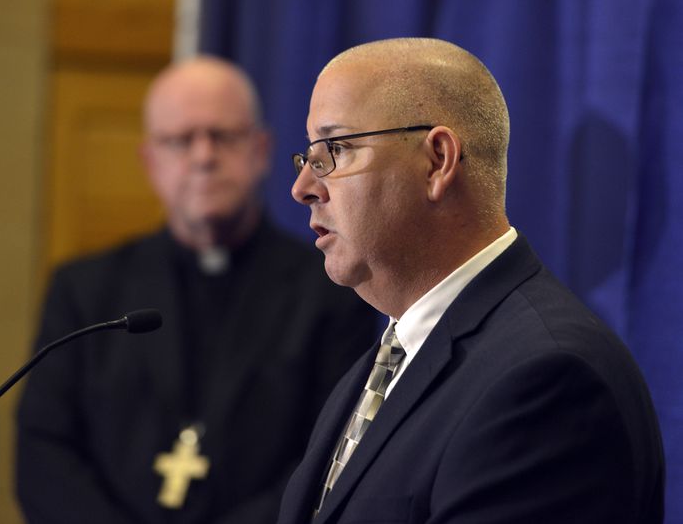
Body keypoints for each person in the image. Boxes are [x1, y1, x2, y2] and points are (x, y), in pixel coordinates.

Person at [278, 38, 665, 524]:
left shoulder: (546, 379)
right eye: (309, 156)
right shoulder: (386, 362)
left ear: (437, 161)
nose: (303, 188)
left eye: (335, 148)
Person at [16, 56, 378, 524]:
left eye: (223, 137)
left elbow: (328, 454)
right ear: (150, 161)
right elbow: (44, 454)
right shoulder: (84, 291)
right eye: (181, 140)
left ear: (261, 150)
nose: (204, 156)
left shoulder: (330, 287)